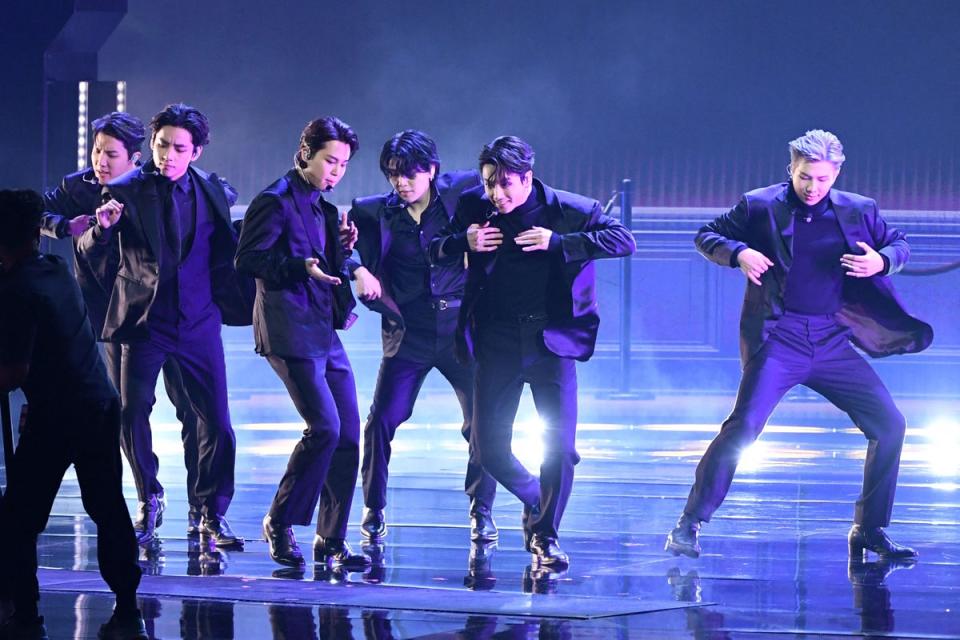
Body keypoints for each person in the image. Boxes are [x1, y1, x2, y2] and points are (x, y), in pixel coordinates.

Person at [665, 129, 933, 560]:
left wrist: (881, 261)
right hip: (779, 336)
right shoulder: (759, 204)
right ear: (791, 167)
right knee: (744, 428)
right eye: (806, 176)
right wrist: (738, 253)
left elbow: (899, 243)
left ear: (837, 174)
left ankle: (869, 529)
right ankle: (689, 524)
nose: (813, 187)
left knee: (890, 425)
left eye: (823, 179)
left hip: (831, 338)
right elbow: (707, 235)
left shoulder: (858, 210)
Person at [430, 135, 636, 568]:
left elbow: (623, 241)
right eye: (490, 184)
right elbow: (434, 249)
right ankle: (535, 499)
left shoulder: (569, 210)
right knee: (487, 449)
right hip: (496, 340)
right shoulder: (473, 206)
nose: (497, 194)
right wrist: (462, 242)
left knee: (559, 447)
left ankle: (546, 535)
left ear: (527, 178)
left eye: (506, 184)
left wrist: (559, 243)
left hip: (551, 342)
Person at [78, 103, 252, 548]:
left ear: (195, 152)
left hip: (198, 322)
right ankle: (149, 497)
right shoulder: (123, 190)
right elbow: (91, 253)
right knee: (131, 413)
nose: (167, 155)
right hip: (144, 323)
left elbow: (228, 248)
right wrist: (100, 231)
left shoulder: (214, 191)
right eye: (161, 145)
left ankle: (211, 512)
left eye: (178, 148)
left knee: (216, 422)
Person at [42, 111, 206, 538]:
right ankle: (148, 495)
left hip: (167, 311)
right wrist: (63, 225)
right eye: (96, 151)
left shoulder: (151, 187)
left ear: (135, 158)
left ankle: (201, 505)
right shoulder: (78, 187)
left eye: (111, 154)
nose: (100, 161)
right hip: (115, 314)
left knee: (192, 409)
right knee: (129, 410)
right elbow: (36, 211)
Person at [0, 189, 147, 639]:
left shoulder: (16, 290)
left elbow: (13, 371)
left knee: (19, 517)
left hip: (59, 413)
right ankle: (127, 604)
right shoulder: (55, 269)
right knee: (106, 505)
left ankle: (23, 613)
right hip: (98, 404)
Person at [346, 130, 497, 542]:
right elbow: (341, 247)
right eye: (394, 175)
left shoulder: (462, 192)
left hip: (458, 331)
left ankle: (481, 510)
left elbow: (503, 186)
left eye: (410, 173)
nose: (401, 182)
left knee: (483, 421)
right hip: (408, 332)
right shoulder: (371, 210)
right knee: (380, 421)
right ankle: (373, 508)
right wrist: (357, 269)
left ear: (432, 170)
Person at [236, 116, 369, 571]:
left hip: (322, 329)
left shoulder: (325, 209)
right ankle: (280, 520)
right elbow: (248, 258)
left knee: (350, 434)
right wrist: (299, 266)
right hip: (288, 329)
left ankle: (330, 538)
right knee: (326, 428)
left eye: (344, 164)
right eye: (330, 160)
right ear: (305, 152)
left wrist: (342, 247)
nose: (336, 171)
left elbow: (330, 263)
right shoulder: (274, 200)